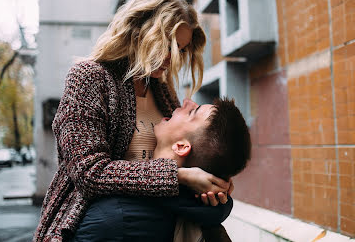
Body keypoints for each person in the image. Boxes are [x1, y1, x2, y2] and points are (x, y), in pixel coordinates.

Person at [34, 0, 233, 242]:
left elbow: (183, 151)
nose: (173, 59)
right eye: (168, 45)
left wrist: (213, 183)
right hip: (95, 226)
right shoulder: (89, 78)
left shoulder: (162, 90)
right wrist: (179, 176)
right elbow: (89, 174)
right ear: (139, 31)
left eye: (181, 50)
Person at [71, 97, 252, 242]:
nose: (186, 101)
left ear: (181, 146)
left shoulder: (114, 219)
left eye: (192, 112)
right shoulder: (203, 212)